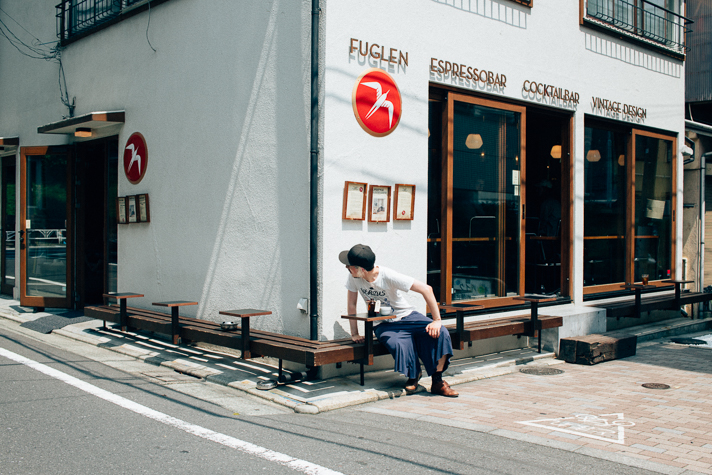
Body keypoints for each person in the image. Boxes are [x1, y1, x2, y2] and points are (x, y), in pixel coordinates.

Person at [339, 244, 458, 397]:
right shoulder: (353, 277)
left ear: (360, 269)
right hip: (383, 323)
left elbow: (426, 289)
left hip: (407, 316)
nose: (347, 269)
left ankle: (437, 381)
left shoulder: (387, 275)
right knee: (398, 343)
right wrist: (354, 333)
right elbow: (352, 304)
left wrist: (437, 320)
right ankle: (414, 375)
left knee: (440, 332)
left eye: (349, 266)